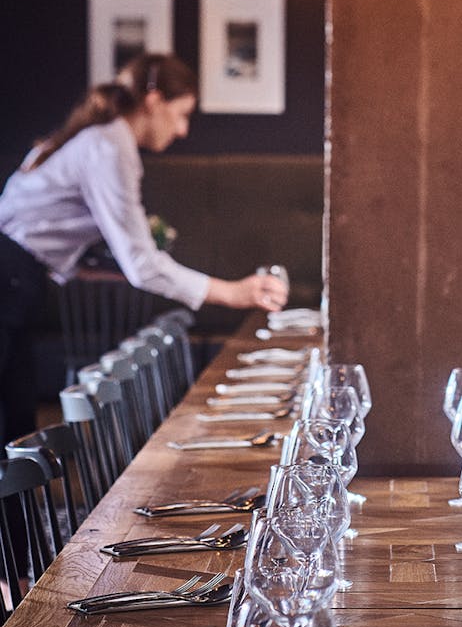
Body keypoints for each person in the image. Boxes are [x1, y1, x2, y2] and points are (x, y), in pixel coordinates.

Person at [0, 52, 288, 446]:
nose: (183, 130)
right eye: (182, 114)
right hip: (8, 276)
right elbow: (140, 263)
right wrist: (234, 292)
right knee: (9, 429)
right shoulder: (109, 145)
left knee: (13, 427)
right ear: (153, 102)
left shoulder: (102, 138)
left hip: (19, 279)